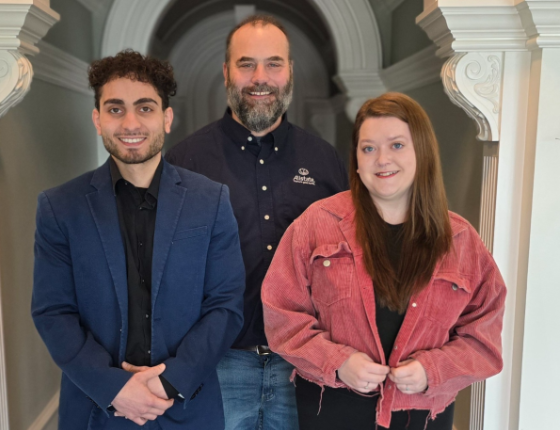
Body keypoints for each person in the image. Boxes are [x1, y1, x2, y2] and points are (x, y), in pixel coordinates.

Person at [262, 92, 506, 430]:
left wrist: (433, 370)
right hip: (332, 413)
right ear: (356, 161)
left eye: (397, 145)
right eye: (368, 148)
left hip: (422, 418)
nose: (381, 159)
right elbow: (282, 316)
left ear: (422, 152)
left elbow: (484, 339)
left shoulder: (461, 241)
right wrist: (338, 362)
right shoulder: (316, 224)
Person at [31, 50, 245, 430]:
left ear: (167, 118)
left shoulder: (211, 201)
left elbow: (225, 306)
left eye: (145, 108)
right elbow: (53, 312)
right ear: (98, 120)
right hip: (97, 412)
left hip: (187, 408)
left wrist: (169, 382)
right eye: (115, 109)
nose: (130, 123)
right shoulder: (59, 207)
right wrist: (114, 388)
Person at [165, 14, 348, 430]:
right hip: (217, 366)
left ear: (290, 72)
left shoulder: (324, 162)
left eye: (273, 64)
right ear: (226, 72)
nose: (260, 77)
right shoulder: (184, 163)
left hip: (305, 366)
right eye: (246, 64)